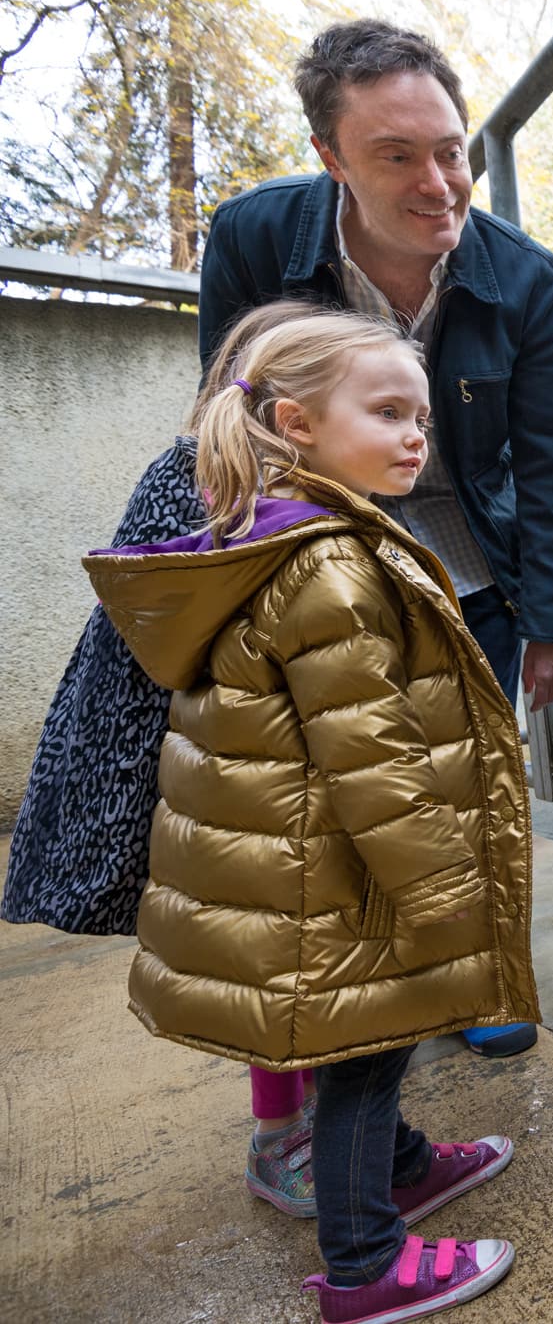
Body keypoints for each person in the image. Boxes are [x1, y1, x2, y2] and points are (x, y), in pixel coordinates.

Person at [87, 303, 536, 1320]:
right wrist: (447, 893)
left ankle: (407, 1166)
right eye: (386, 411)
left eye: (420, 416)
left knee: (371, 1045)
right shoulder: (330, 566)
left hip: (309, 870)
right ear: (295, 424)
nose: (415, 434)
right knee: (366, 1059)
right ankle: (366, 1267)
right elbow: (371, 760)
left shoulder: (285, 536)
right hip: (333, 878)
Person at [201, 17, 553, 1059]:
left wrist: (552, 621)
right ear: (330, 158)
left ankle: (477, 973)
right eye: (396, 156)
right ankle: (367, 993)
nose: (440, 183)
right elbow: (222, 423)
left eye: (452, 150)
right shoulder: (251, 239)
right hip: (318, 567)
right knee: (334, 795)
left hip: (473, 568)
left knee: (468, 782)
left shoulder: (525, 277)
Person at [5, 299, 343, 1214]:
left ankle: (311, 1125)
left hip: (208, 760)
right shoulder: (212, 481)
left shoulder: (248, 472)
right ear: (296, 414)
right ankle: (284, 1140)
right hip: (175, 759)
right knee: (265, 956)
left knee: (282, 952)